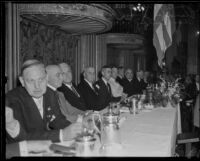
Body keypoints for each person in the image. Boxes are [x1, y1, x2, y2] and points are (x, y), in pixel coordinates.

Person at [6, 59, 82, 143]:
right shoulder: (11, 100)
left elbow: (57, 120)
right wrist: (61, 135)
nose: (37, 86)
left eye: (41, 79)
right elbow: (22, 137)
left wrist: (78, 130)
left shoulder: (50, 94)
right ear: (22, 81)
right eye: (31, 81)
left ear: (46, 78)